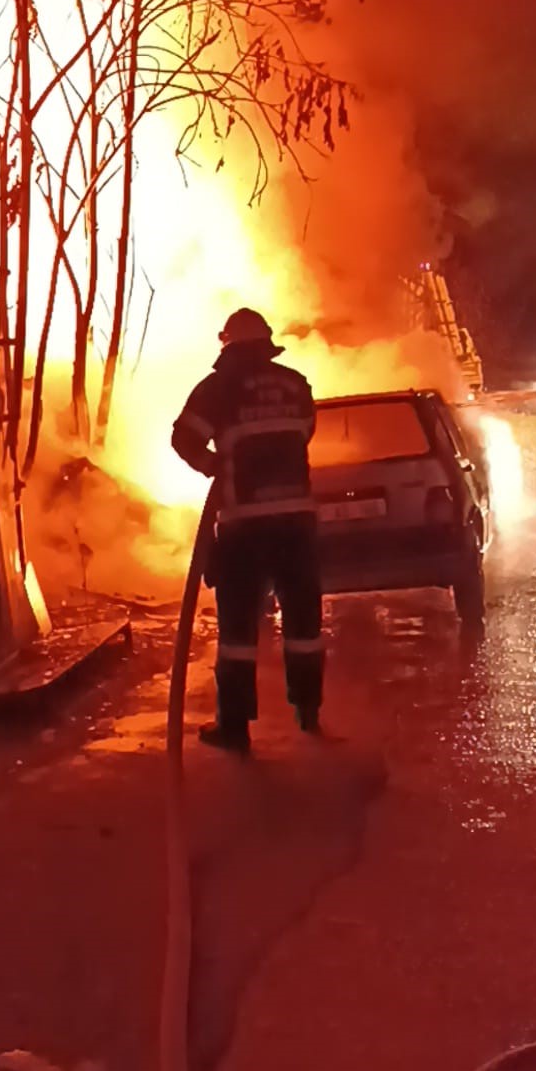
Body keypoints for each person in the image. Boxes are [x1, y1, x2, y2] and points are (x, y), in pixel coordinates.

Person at [171, 308, 323, 754]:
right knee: (304, 625)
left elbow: (184, 438)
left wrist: (214, 465)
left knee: (238, 632)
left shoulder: (219, 388)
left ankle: (234, 728)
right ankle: (308, 711)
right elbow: (305, 431)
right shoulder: (295, 384)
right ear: (266, 345)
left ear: (229, 346)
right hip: (296, 523)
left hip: (244, 527)